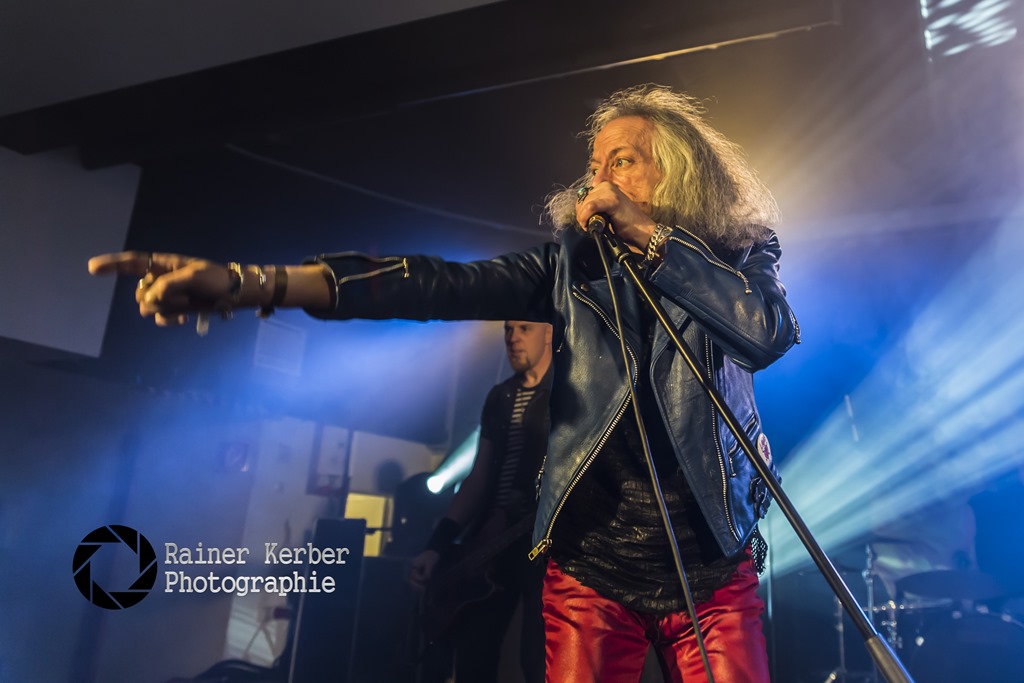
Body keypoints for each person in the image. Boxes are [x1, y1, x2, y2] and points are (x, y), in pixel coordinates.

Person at [90, 84, 799, 682]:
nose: (599, 183)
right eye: (593, 168)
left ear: (677, 173)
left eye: (623, 162)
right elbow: (434, 283)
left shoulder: (740, 253)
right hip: (593, 567)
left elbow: (765, 333)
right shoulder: (571, 271)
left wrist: (655, 241)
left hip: (713, 567)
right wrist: (254, 283)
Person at [409, 320, 551, 683]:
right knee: (474, 656)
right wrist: (437, 544)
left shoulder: (567, 391)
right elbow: (479, 477)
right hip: (492, 545)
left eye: (524, 328)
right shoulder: (500, 396)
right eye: (507, 329)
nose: (513, 338)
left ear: (549, 333)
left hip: (544, 547)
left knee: (539, 659)